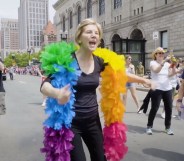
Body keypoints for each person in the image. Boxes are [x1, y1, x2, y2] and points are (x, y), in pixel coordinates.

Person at [40, 18, 154, 161]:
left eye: (96, 33)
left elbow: (120, 74)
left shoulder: (99, 61)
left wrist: (143, 80)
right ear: (79, 37)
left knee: (100, 158)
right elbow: (44, 85)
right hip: (71, 124)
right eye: (89, 32)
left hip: (92, 121)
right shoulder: (67, 60)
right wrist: (57, 94)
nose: (94, 35)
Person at [146, 47, 177, 135]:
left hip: (167, 88)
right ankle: (149, 126)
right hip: (157, 89)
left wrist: (174, 66)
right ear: (155, 55)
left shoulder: (167, 64)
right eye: (159, 53)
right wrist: (164, 62)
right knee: (154, 108)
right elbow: (156, 70)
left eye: (162, 53)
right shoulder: (152, 63)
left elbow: (171, 74)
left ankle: (167, 127)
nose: (161, 54)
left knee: (169, 109)